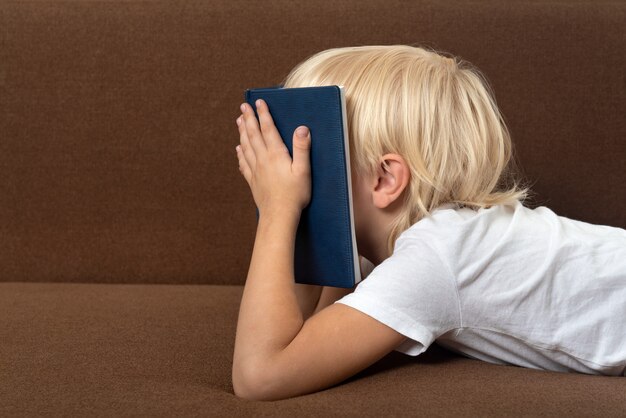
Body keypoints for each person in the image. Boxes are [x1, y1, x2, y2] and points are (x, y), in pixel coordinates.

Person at [231, 45, 626, 401]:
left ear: (385, 179)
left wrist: (279, 210)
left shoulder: (432, 260)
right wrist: (300, 213)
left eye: (307, 156)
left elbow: (262, 375)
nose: (285, 171)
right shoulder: (421, 244)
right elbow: (305, 328)